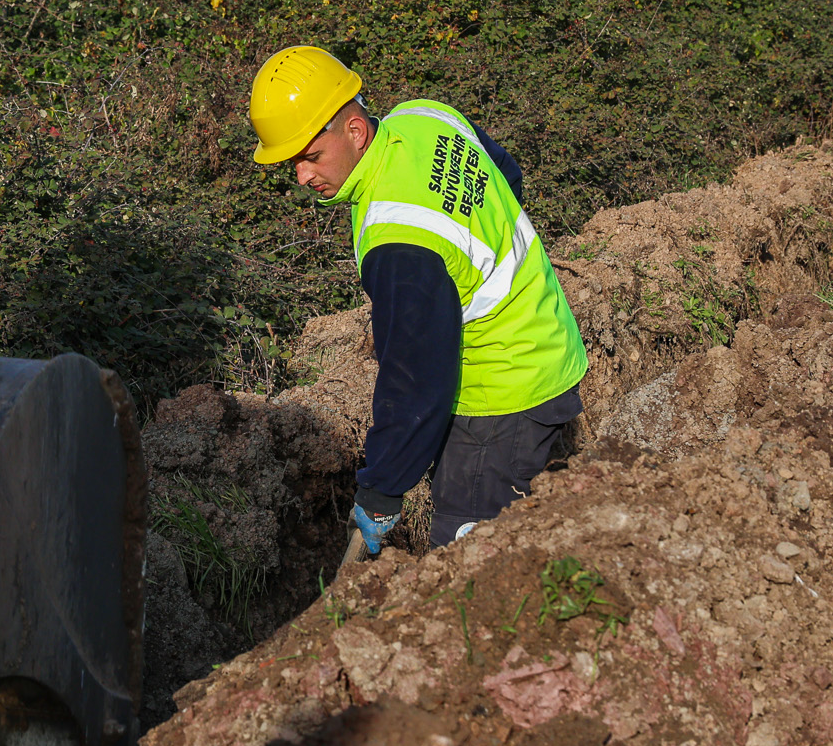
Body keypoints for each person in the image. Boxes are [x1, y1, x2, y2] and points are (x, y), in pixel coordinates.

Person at [247, 46, 588, 561]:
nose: (301, 177)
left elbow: (416, 379)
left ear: (355, 132)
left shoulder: (400, 240)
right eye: (291, 162)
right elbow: (507, 176)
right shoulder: (426, 117)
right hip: (548, 342)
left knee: (465, 577)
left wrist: (382, 489)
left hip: (501, 396)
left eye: (310, 156)